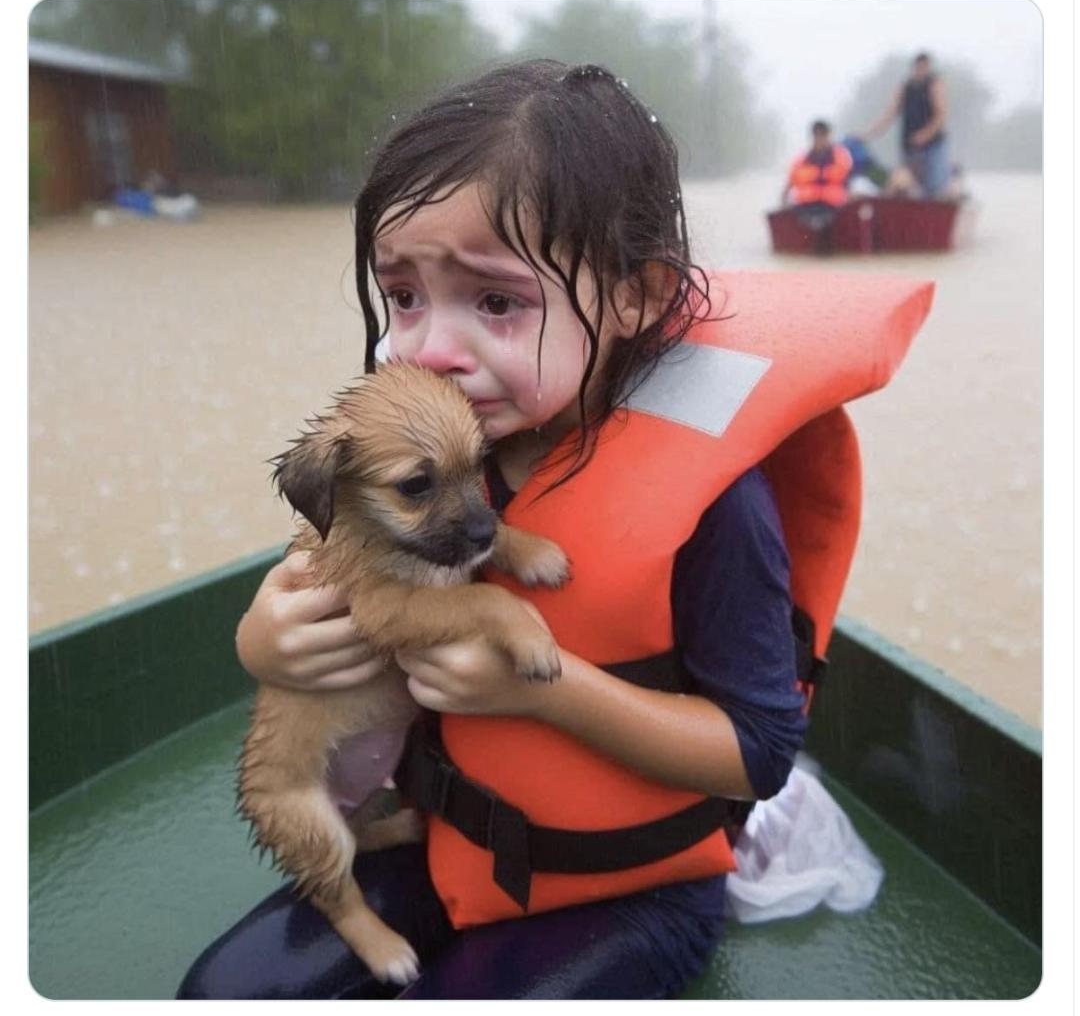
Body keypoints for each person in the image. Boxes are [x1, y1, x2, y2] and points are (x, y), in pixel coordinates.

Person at [177, 61, 929, 999]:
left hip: (627, 883)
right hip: (440, 832)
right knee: (223, 992)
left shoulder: (720, 506)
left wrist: (547, 692)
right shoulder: (436, 438)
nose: (431, 349)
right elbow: (329, 576)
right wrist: (267, 640)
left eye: (495, 301)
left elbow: (759, 753)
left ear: (636, 296)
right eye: (403, 294)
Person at [862, 52, 951, 198]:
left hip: (933, 147)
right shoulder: (906, 86)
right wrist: (868, 134)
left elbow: (941, 115)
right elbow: (890, 113)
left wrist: (925, 135)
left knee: (934, 188)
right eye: (918, 67)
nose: (921, 70)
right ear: (914, 67)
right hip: (910, 148)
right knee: (903, 187)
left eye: (924, 67)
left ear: (928, 67)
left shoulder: (935, 83)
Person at [782, 120, 853, 209]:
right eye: (816, 134)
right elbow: (790, 182)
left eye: (822, 134)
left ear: (828, 135)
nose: (819, 137)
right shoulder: (802, 159)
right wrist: (783, 201)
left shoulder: (841, 155)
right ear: (813, 136)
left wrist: (850, 199)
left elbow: (848, 179)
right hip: (805, 206)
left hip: (834, 205)